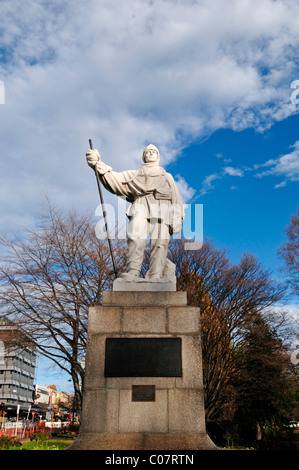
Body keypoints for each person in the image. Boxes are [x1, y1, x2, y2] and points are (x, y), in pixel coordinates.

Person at [86, 144, 184, 280]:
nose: (150, 153)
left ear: (158, 156)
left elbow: (176, 199)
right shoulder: (134, 175)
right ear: (144, 156)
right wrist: (97, 164)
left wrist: (177, 218)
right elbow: (115, 180)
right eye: (148, 152)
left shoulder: (167, 177)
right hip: (140, 208)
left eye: (153, 152)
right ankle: (132, 272)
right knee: (135, 238)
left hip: (162, 212)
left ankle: (156, 275)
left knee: (160, 243)